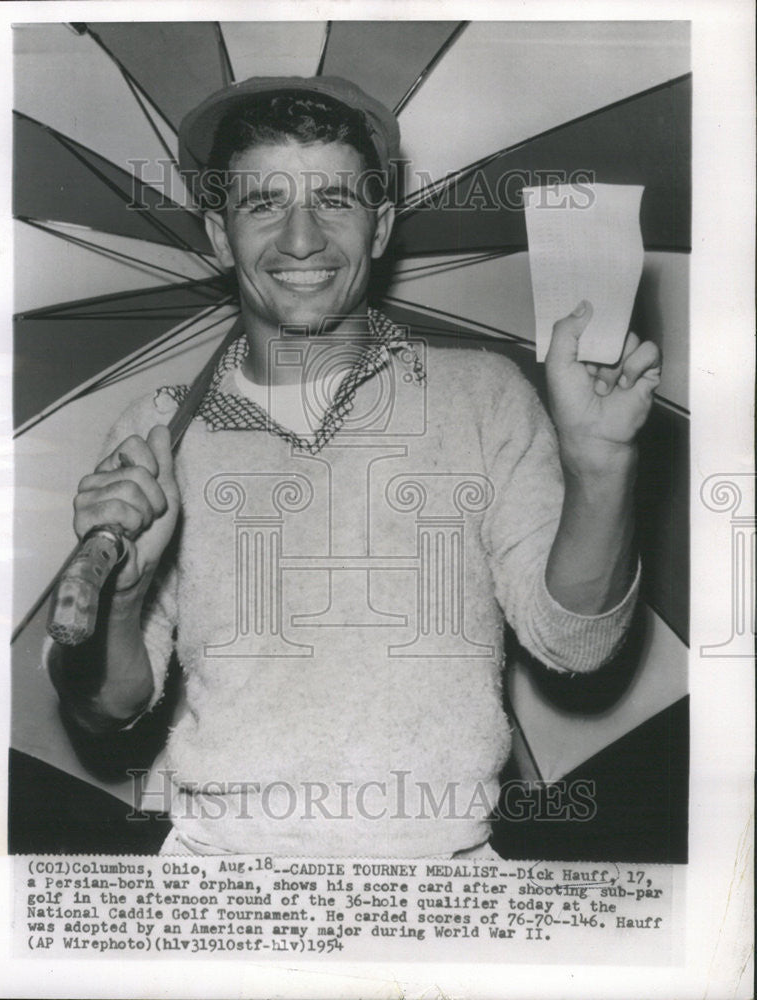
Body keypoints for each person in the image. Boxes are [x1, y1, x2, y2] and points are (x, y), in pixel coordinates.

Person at [47, 76, 661, 858]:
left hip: (443, 872)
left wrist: (599, 466)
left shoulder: (484, 395)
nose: (300, 240)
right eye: (264, 203)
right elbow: (106, 707)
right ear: (217, 233)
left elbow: (574, 645)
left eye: (334, 200)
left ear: (379, 227)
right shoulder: (156, 432)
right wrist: (125, 597)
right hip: (218, 877)